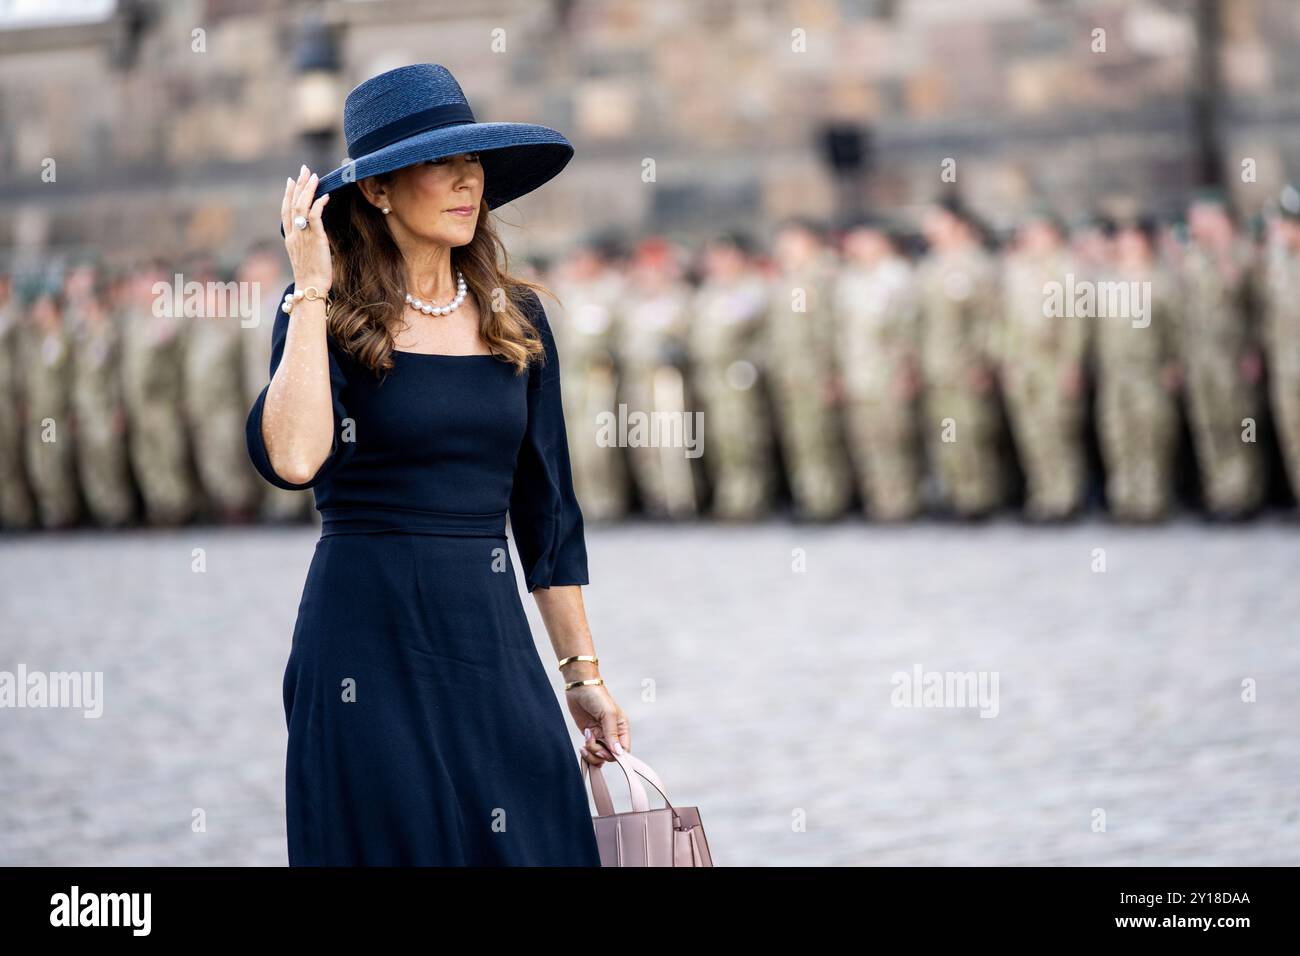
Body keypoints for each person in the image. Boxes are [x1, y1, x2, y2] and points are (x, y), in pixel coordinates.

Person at [245, 63, 624, 866]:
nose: (466, 180)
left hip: (488, 639)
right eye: (438, 162)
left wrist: (580, 673)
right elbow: (295, 456)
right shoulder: (324, 314)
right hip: (362, 645)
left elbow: (548, 511)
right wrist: (309, 292)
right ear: (378, 191)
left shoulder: (515, 317)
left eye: (474, 161)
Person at [1178, 191, 1265, 518]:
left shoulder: (1241, 255)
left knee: (1238, 424)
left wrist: (1254, 350)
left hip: (1232, 355)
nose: (1193, 225)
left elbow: (1258, 307)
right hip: (1201, 359)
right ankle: (1221, 494)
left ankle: (1244, 493)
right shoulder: (1193, 257)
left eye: (1199, 218)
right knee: (1209, 425)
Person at [916, 197, 1004, 518]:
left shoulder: (977, 265)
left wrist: (984, 362)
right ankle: (955, 494)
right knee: (945, 432)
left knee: (971, 432)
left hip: (965, 366)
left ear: (958, 224)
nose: (929, 227)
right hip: (936, 366)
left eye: (935, 220)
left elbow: (989, 319)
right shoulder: (930, 266)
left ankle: (978, 498)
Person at [832, 215, 923, 521]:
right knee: (867, 441)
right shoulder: (849, 281)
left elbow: (908, 330)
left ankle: (903, 501)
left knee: (895, 438)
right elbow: (841, 331)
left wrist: (907, 370)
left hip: (888, 372)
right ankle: (879, 502)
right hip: (859, 373)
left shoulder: (898, 277)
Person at [999, 209, 1087, 520]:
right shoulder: (1015, 270)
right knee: (1031, 433)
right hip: (1024, 365)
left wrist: (1071, 363)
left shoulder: (1067, 269)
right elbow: (1007, 321)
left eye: (1036, 231)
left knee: (1058, 430)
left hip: (1053, 362)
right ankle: (1042, 496)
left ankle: (1065, 497)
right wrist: (1006, 360)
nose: (1030, 238)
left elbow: (1074, 324)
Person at [765, 217, 852, 520]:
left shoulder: (825, 276)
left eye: (790, 241)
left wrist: (832, 373)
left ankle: (829, 501)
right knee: (801, 440)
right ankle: (810, 497)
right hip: (792, 375)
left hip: (816, 373)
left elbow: (831, 330)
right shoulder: (788, 279)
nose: (783, 247)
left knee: (822, 440)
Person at [1095, 216, 1181, 521]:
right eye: (1122, 239)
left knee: (1151, 435)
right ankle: (1125, 500)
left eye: (1134, 239)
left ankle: (1151, 500)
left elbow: (1175, 326)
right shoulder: (1106, 281)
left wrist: (1173, 362)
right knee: (1117, 435)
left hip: (1149, 370)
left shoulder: (1161, 280)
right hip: (1114, 372)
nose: (1127, 245)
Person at [545, 236, 632, 521]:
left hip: (599, 373)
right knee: (574, 442)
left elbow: (623, 332)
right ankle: (581, 498)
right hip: (573, 375)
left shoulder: (613, 290)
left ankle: (608, 499)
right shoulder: (566, 290)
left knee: (599, 441)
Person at [689, 231, 775, 520]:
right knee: (720, 439)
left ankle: (750, 497)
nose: (716, 262)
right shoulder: (708, 291)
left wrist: (752, 363)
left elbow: (767, 335)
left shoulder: (753, 289)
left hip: (737, 377)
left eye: (723, 255)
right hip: (711, 377)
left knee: (744, 438)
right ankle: (729, 497)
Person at [1263, 185, 1300, 512]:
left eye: (1284, 224)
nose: (1279, 232)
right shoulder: (1279, 263)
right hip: (1286, 366)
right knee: (1292, 436)